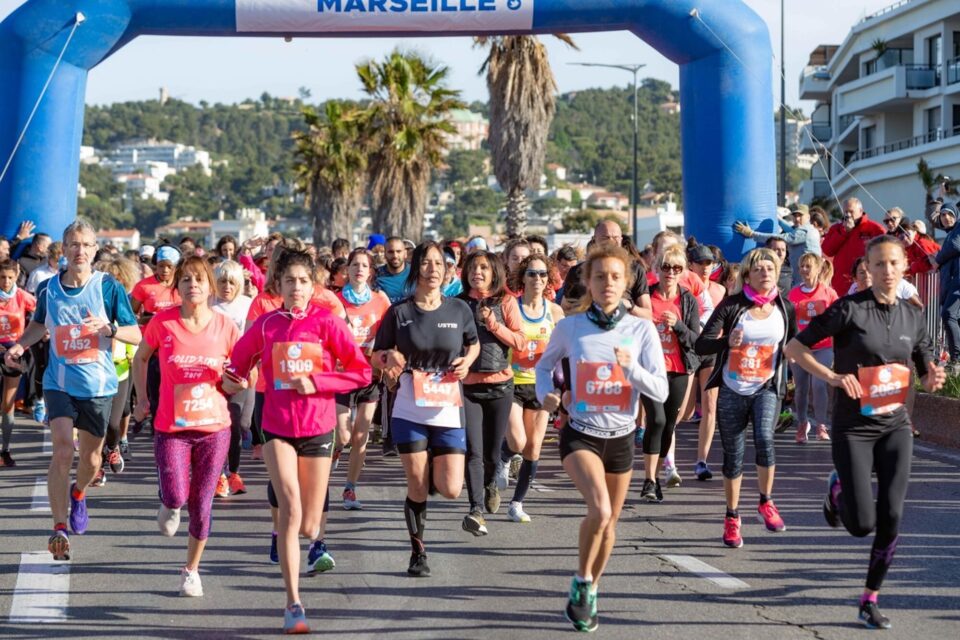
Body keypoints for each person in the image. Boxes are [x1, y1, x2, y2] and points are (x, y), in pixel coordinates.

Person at [784, 234, 945, 630]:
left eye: (893, 263)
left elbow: (924, 369)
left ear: (904, 267)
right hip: (853, 427)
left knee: (892, 513)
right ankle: (836, 489)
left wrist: (932, 377)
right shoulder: (849, 310)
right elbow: (795, 348)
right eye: (878, 265)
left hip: (896, 426)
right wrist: (834, 378)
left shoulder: (913, 315)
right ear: (867, 270)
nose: (887, 271)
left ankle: (869, 598)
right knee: (861, 524)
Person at [226, 249, 371, 633]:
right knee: (289, 509)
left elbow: (361, 372)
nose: (296, 288)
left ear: (313, 286)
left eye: (303, 281)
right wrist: (231, 381)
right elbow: (234, 366)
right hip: (276, 427)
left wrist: (320, 382)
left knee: (309, 525)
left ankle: (303, 543)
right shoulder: (265, 325)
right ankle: (294, 603)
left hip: (318, 427)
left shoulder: (328, 323)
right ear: (279, 285)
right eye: (289, 281)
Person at [536, 243, 668, 632]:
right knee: (602, 510)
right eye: (599, 277)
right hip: (581, 434)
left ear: (626, 282)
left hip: (622, 437)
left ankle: (590, 589)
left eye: (615, 276)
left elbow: (659, 390)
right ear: (587, 282)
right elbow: (544, 366)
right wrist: (549, 393)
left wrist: (632, 371)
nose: (607, 283)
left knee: (609, 525)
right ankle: (581, 577)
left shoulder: (641, 329)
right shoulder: (570, 327)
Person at [4, 219, 141, 561]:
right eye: (73, 244)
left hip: (98, 385)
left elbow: (136, 334)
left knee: (91, 458)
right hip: (59, 383)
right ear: (63, 251)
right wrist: (20, 346)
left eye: (86, 245)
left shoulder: (109, 287)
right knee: (63, 449)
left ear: (95, 250)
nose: (80, 250)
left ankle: (79, 493)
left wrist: (109, 329)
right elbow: (38, 325)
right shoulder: (49, 289)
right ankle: (59, 527)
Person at [131, 255, 239, 596]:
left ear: (210, 286)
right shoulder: (162, 323)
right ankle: (168, 499)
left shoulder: (226, 327)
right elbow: (140, 358)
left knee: (202, 501)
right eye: (186, 279)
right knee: (179, 494)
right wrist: (141, 398)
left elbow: (239, 376)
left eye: (199, 279)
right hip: (171, 427)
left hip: (215, 427)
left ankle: (191, 570)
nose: (193, 285)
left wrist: (239, 383)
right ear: (176, 287)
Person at [371, 241, 480, 577]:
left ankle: (433, 461)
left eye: (440, 263)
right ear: (416, 267)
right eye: (427, 263)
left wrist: (467, 363)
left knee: (450, 488)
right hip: (410, 406)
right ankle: (418, 552)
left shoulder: (459, 309)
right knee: (417, 485)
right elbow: (377, 355)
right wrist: (389, 362)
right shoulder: (399, 312)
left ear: (448, 270)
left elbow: (472, 343)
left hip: (447, 405)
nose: (434, 269)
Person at [695, 248, 797, 548]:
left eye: (770, 268)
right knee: (734, 455)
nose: (765, 272)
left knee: (765, 438)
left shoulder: (785, 308)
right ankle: (732, 517)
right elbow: (702, 345)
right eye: (759, 268)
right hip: (732, 388)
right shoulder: (731, 306)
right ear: (748, 275)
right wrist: (728, 341)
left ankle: (766, 501)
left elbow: (792, 346)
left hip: (766, 387)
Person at [457, 250, 526, 535]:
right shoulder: (458, 304)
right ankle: (475, 509)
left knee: (490, 454)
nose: (478, 272)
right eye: (473, 267)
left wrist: (492, 323)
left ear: (494, 272)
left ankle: (488, 485)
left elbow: (520, 341)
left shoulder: (506, 302)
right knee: (472, 450)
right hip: (468, 388)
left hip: (500, 385)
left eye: (484, 267)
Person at [500, 254, 564, 523]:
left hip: (541, 385)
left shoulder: (555, 312)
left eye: (542, 274)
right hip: (512, 381)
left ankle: (517, 503)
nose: (537, 279)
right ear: (522, 278)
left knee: (533, 448)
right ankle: (504, 457)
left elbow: (565, 350)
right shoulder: (510, 306)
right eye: (532, 274)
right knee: (517, 441)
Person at [640, 246, 700, 502]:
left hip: (678, 369)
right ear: (657, 269)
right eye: (666, 267)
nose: (671, 273)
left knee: (669, 425)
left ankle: (658, 472)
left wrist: (678, 326)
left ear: (682, 271)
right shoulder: (647, 297)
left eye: (676, 268)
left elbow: (695, 339)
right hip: (651, 370)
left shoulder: (687, 300)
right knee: (657, 421)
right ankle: (649, 480)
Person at [335, 248, 391, 510]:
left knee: (361, 436)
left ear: (370, 272)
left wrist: (385, 356)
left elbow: (390, 333)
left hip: (370, 376)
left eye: (364, 266)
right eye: (355, 264)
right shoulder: (336, 301)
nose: (359, 269)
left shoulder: (381, 301)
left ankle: (350, 489)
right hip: (340, 375)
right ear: (347, 269)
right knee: (344, 435)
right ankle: (336, 447)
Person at [91, 257, 140, 485]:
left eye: (119, 282)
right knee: (96, 425)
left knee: (112, 424)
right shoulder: (91, 308)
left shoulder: (124, 309)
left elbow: (133, 334)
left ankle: (113, 447)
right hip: (94, 373)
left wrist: (132, 355)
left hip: (119, 373)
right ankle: (97, 468)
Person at [212, 260, 255, 497]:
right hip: (212, 375)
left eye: (232, 282)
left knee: (236, 423)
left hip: (240, 373)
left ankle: (234, 473)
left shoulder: (248, 306)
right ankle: (218, 475)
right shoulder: (207, 305)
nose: (227, 286)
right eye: (222, 281)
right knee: (217, 427)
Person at [787, 253, 838, 444]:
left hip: (823, 346)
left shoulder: (828, 293)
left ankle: (821, 425)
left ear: (817, 269)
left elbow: (838, 318)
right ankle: (802, 423)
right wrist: (790, 350)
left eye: (808, 266)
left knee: (818, 384)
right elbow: (788, 323)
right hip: (800, 347)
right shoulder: (793, 293)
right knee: (801, 388)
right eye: (802, 267)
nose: (805, 271)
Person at [687, 244, 725, 480]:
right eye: (700, 263)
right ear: (690, 265)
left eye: (708, 263)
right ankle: (666, 457)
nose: (704, 267)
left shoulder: (721, 290)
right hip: (689, 351)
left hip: (712, 352)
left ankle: (702, 460)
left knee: (710, 407)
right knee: (686, 410)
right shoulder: (685, 289)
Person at [0, 260, 36, 466]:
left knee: (8, 404)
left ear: (16, 277)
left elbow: (42, 311)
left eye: (10, 277)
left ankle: (5, 450)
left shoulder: (21, 296)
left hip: (14, 353)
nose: (6, 282)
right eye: (2, 277)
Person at [733, 203, 821, 286]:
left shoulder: (805, 231)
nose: (797, 219)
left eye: (800, 216)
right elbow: (791, 230)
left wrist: (752, 234)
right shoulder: (809, 229)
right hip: (806, 277)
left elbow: (782, 238)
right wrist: (778, 220)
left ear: (808, 217)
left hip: (805, 278)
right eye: (795, 216)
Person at [822, 198, 885, 294]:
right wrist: (844, 232)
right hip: (842, 283)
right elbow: (827, 250)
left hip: (867, 281)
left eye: (851, 211)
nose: (848, 215)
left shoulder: (874, 228)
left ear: (860, 211)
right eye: (845, 212)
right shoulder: (836, 229)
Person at [375, 237, 411, 304]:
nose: (395, 256)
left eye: (398, 251)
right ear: (385, 254)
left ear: (405, 253)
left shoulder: (416, 273)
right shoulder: (376, 276)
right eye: (390, 252)